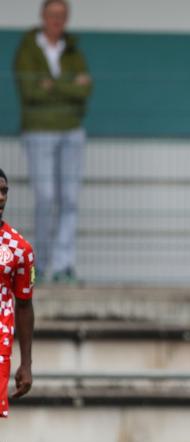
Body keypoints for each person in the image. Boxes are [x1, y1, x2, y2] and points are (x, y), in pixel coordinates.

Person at [14, 0, 92, 283]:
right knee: (45, 197)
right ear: (43, 17)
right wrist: (69, 86)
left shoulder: (72, 51)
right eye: (52, 15)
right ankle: (42, 264)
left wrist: (52, 85)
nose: (57, 20)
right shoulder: (27, 50)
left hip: (71, 131)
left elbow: (86, 90)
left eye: (62, 15)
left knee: (69, 199)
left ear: (66, 19)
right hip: (39, 131)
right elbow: (30, 91)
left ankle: (63, 265)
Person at [0, 168, 37, 442]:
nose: (0, 197)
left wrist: (26, 363)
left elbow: (24, 304)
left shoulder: (19, 249)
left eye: (5, 191)